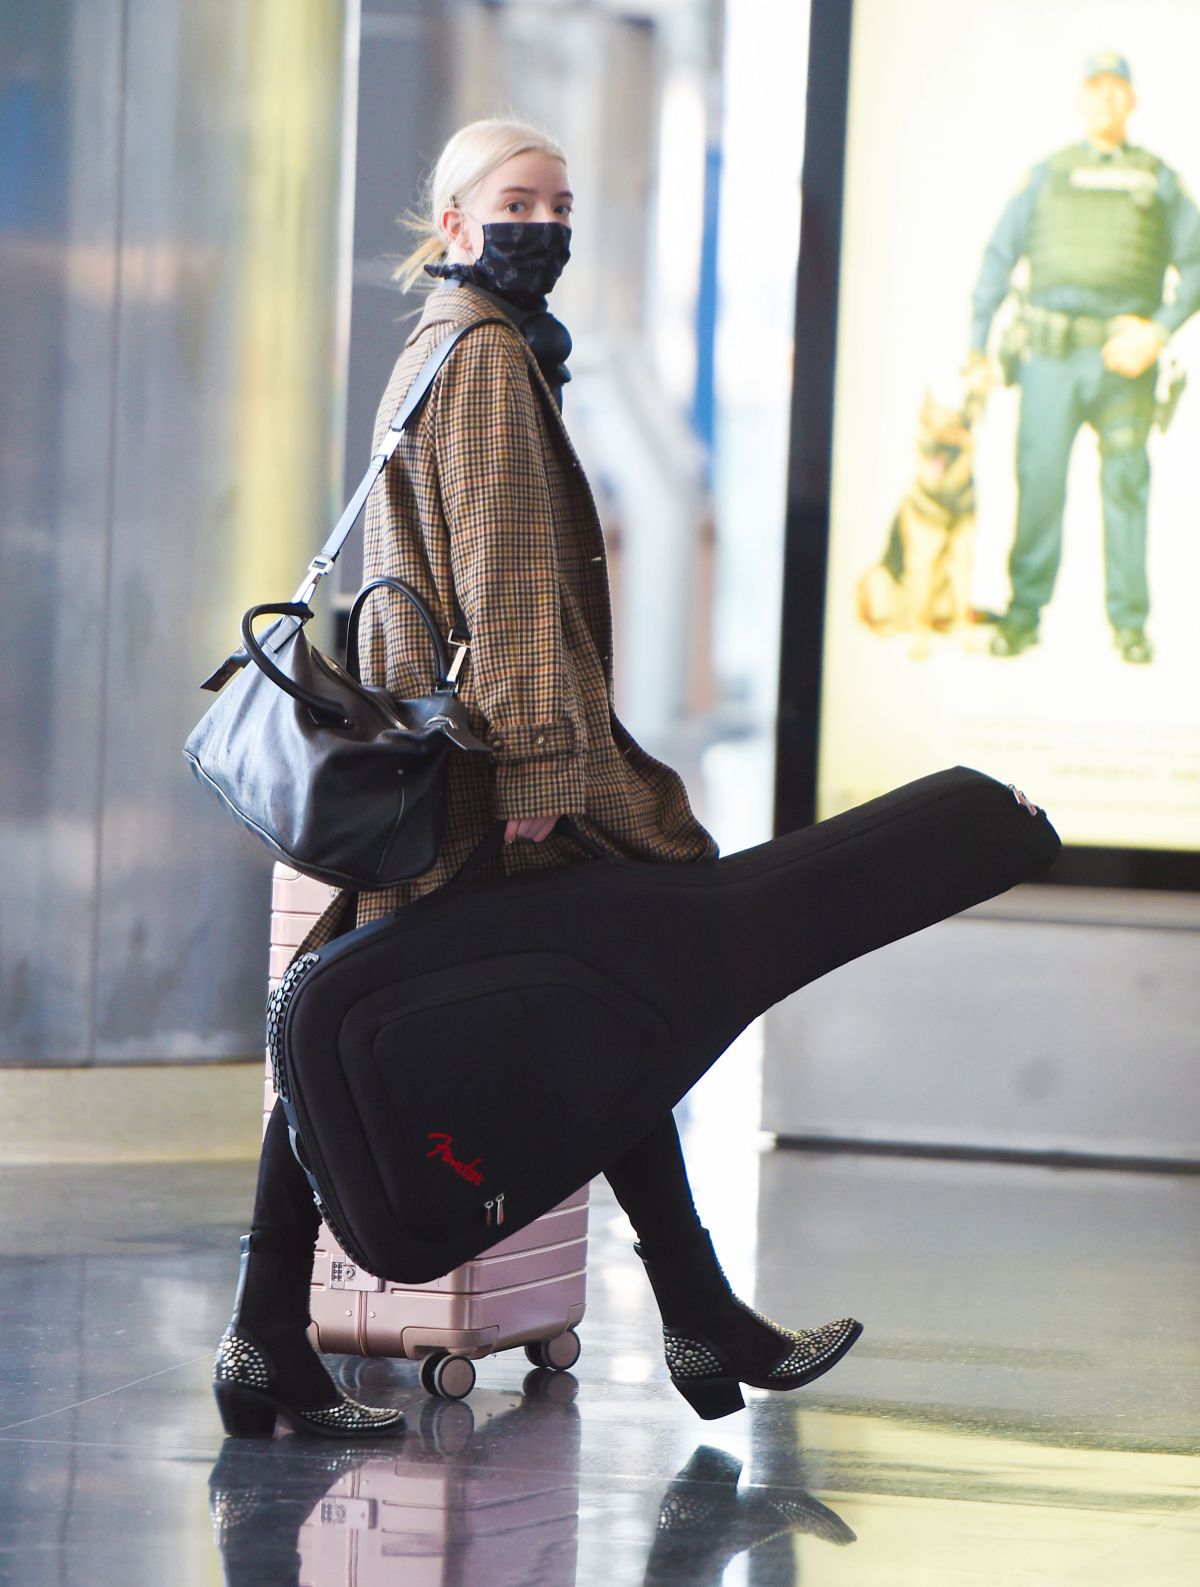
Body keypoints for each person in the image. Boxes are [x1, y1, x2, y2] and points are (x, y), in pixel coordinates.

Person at [212, 118, 862, 1438]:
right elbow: (506, 584)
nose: (545, 223)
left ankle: (270, 1333)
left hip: (447, 759)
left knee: (378, 1011)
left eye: (560, 200)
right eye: (517, 200)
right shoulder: (493, 358)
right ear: (453, 223)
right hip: (495, 773)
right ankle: (691, 1310)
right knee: (592, 989)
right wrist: (544, 768)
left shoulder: (436, 346)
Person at [967, 51, 1200, 664]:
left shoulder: (1160, 179)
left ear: (1132, 100)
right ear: (1081, 98)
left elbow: (1198, 265)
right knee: (1038, 485)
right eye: (1095, 89)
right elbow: (998, 258)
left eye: (1116, 89)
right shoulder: (1047, 175)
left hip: (1124, 361)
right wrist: (976, 345)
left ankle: (1129, 625)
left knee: (1126, 488)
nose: (1105, 99)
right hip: (1049, 356)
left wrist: (1158, 331)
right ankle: (1023, 617)